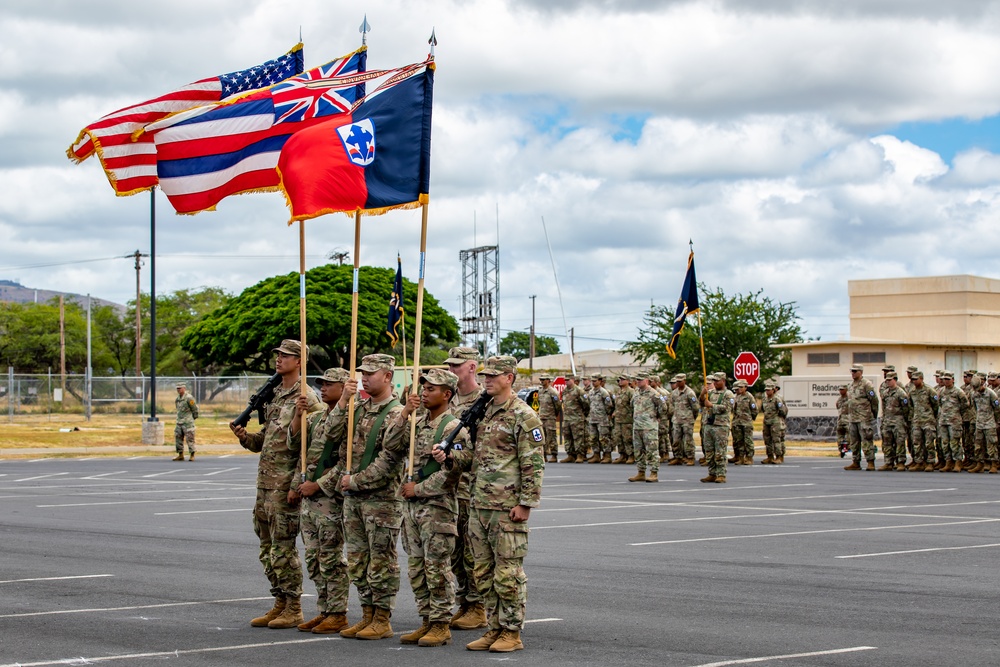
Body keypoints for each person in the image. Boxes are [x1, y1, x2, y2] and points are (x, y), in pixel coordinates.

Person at [436, 355, 545, 653]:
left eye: (493, 376)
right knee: (483, 572)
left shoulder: (523, 416)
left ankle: (511, 631)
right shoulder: (483, 413)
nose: (487, 380)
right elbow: (473, 459)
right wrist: (449, 457)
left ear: (509, 378)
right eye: (485, 375)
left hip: (507, 507)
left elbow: (533, 465)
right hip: (479, 504)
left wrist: (526, 504)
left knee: (507, 574)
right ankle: (494, 628)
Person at [230, 339, 321, 629]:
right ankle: (279, 601)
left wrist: (297, 483)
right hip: (265, 484)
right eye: (278, 355)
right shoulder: (275, 394)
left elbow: (310, 450)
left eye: (286, 356)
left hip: (285, 486)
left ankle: (293, 606)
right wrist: (245, 437)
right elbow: (265, 441)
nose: (279, 359)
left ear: (300, 362)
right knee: (267, 548)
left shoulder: (306, 398)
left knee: (283, 548)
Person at [390, 368, 468, 647]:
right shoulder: (416, 422)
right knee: (417, 568)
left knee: (437, 568)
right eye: (423, 387)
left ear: (446, 394)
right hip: (412, 508)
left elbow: (454, 471)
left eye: (431, 388)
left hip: (437, 508)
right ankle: (426, 620)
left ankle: (440, 624)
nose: (424, 392)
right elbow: (390, 444)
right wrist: (403, 414)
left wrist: (418, 489)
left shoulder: (453, 426)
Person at [331, 354, 407, 640]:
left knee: (381, 561)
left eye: (371, 373)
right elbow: (330, 434)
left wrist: (355, 481)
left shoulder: (397, 413)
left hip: (381, 500)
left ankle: (382, 617)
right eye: (363, 372)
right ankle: (367, 614)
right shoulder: (356, 408)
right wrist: (342, 402)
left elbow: (389, 461)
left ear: (387, 376)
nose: (364, 377)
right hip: (354, 499)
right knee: (357, 560)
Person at [288, 367, 351, 634]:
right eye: (321, 384)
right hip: (310, 499)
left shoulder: (349, 419)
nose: (323, 388)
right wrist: (297, 415)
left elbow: (346, 462)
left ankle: (338, 612)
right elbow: (298, 450)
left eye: (329, 384)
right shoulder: (315, 418)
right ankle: (325, 609)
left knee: (331, 558)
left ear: (343, 388)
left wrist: (319, 485)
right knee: (314, 557)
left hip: (329, 498)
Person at [443, 346, 487, 631]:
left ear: (472, 367)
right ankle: (464, 602)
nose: (451, 370)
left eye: (457, 366)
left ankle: (478, 605)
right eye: (449, 365)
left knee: (473, 549)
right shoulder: (446, 398)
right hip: (447, 485)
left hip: (472, 486)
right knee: (454, 549)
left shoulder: (485, 400)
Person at [628, 372, 662, 483]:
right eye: (637, 380)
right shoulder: (636, 392)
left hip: (649, 426)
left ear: (647, 381)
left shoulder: (654, 394)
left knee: (652, 451)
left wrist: (655, 418)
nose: (638, 382)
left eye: (640, 380)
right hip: (637, 426)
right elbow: (632, 406)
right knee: (638, 451)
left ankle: (653, 472)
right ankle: (641, 472)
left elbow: (663, 407)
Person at [701, 372, 734, 483]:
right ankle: (712, 473)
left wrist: (712, 406)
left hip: (720, 426)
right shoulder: (710, 393)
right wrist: (702, 394)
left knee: (720, 451)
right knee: (709, 451)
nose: (715, 383)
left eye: (717, 381)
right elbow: (701, 402)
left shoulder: (728, 394)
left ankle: (721, 474)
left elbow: (727, 408)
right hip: (709, 424)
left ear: (723, 381)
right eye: (714, 381)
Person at [845, 364, 879, 471]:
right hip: (853, 418)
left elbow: (874, 400)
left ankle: (870, 462)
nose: (853, 373)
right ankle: (855, 461)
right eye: (852, 371)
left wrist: (873, 414)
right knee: (854, 441)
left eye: (855, 371)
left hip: (864, 417)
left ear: (861, 372)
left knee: (866, 440)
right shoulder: (850, 386)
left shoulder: (867, 384)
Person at [936, 371, 969, 472]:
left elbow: (965, 404)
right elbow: (939, 404)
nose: (945, 381)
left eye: (948, 379)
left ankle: (958, 462)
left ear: (953, 380)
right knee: (945, 443)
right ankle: (948, 462)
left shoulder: (958, 392)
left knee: (954, 443)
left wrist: (956, 413)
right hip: (944, 421)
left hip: (954, 421)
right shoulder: (941, 391)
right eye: (944, 379)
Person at [878, 372, 911, 471]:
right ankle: (888, 462)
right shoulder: (885, 393)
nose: (888, 382)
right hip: (887, 421)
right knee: (887, 442)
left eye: (890, 380)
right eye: (887, 380)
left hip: (898, 420)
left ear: (895, 380)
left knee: (899, 442)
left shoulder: (901, 393)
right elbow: (884, 407)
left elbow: (906, 408)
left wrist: (903, 420)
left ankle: (900, 462)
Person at [969, 373, 1000, 474]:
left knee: (991, 445)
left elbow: (997, 409)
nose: (977, 390)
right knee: (978, 445)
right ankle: (980, 464)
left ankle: (993, 464)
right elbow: (973, 408)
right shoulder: (973, 394)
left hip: (990, 423)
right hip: (979, 423)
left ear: (982, 384)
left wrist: (996, 421)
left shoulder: (991, 394)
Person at [907, 371, 937, 471]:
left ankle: (930, 462)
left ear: (921, 379)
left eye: (916, 379)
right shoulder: (912, 391)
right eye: (913, 379)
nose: (914, 381)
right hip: (917, 421)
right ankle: (919, 462)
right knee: (916, 442)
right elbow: (911, 406)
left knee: (929, 443)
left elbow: (936, 405)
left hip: (928, 420)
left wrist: (933, 418)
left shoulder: (929, 390)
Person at [669, 373, 698, 466]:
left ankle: (690, 457)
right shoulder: (674, 393)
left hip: (687, 420)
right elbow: (672, 405)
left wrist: (692, 417)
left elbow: (695, 408)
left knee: (688, 440)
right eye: (677, 381)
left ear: (684, 381)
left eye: (680, 381)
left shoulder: (690, 393)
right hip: (677, 420)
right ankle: (678, 457)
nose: (678, 383)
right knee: (676, 439)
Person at [560, 375, 590, 463]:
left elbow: (586, 405)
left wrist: (582, 415)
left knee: (578, 437)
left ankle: (580, 455)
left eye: (568, 380)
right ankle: (570, 455)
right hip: (567, 418)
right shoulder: (565, 391)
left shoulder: (579, 391)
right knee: (567, 437)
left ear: (573, 380)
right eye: (565, 380)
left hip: (577, 418)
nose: (566, 382)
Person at [586, 374, 614, 464]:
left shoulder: (603, 392)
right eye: (592, 381)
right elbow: (588, 404)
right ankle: (596, 455)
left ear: (600, 381)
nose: (593, 383)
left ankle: (607, 455)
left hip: (602, 419)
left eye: (595, 381)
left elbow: (609, 405)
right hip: (592, 418)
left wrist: (607, 415)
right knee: (593, 438)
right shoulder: (590, 392)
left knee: (604, 438)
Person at [730, 380, 757, 465]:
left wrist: (750, 419)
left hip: (746, 422)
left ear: (746, 387)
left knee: (748, 440)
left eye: (741, 387)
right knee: (739, 441)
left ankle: (749, 457)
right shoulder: (736, 397)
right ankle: (740, 457)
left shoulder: (749, 397)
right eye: (738, 388)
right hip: (737, 422)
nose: (739, 389)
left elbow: (754, 410)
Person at [536, 375, 562, 463]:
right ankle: (544, 455)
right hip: (542, 417)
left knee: (552, 437)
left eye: (543, 380)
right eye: (541, 379)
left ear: (548, 380)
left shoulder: (553, 392)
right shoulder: (540, 391)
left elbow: (557, 406)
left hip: (550, 417)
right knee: (542, 437)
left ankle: (554, 455)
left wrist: (553, 415)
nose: (542, 381)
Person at [612, 374, 635, 464]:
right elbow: (617, 405)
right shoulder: (619, 392)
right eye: (620, 380)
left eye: (623, 379)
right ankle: (622, 455)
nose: (620, 381)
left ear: (628, 381)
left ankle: (631, 455)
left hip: (627, 420)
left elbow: (633, 405)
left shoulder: (631, 392)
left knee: (627, 438)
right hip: (618, 419)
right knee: (618, 437)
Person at [173, 383, 199, 461]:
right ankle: (181, 455)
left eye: (180, 388)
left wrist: (193, 418)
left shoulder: (189, 398)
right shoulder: (177, 399)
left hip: (188, 422)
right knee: (178, 438)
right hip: (179, 422)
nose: (178, 390)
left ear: (184, 388)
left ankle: (192, 455)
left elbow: (194, 409)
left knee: (190, 438)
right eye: (177, 388)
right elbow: (178, 409)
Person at [836, 385, 850, 458]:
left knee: (849, 438)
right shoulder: (839, 399)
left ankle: (847, 450)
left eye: (842, 390)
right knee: (839, 438)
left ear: (846, 390)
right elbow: (837, 406)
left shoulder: (850, 398)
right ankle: (841, 451)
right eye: (840, 390)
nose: (841, 391)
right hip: (840, 420)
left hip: (848, 420)